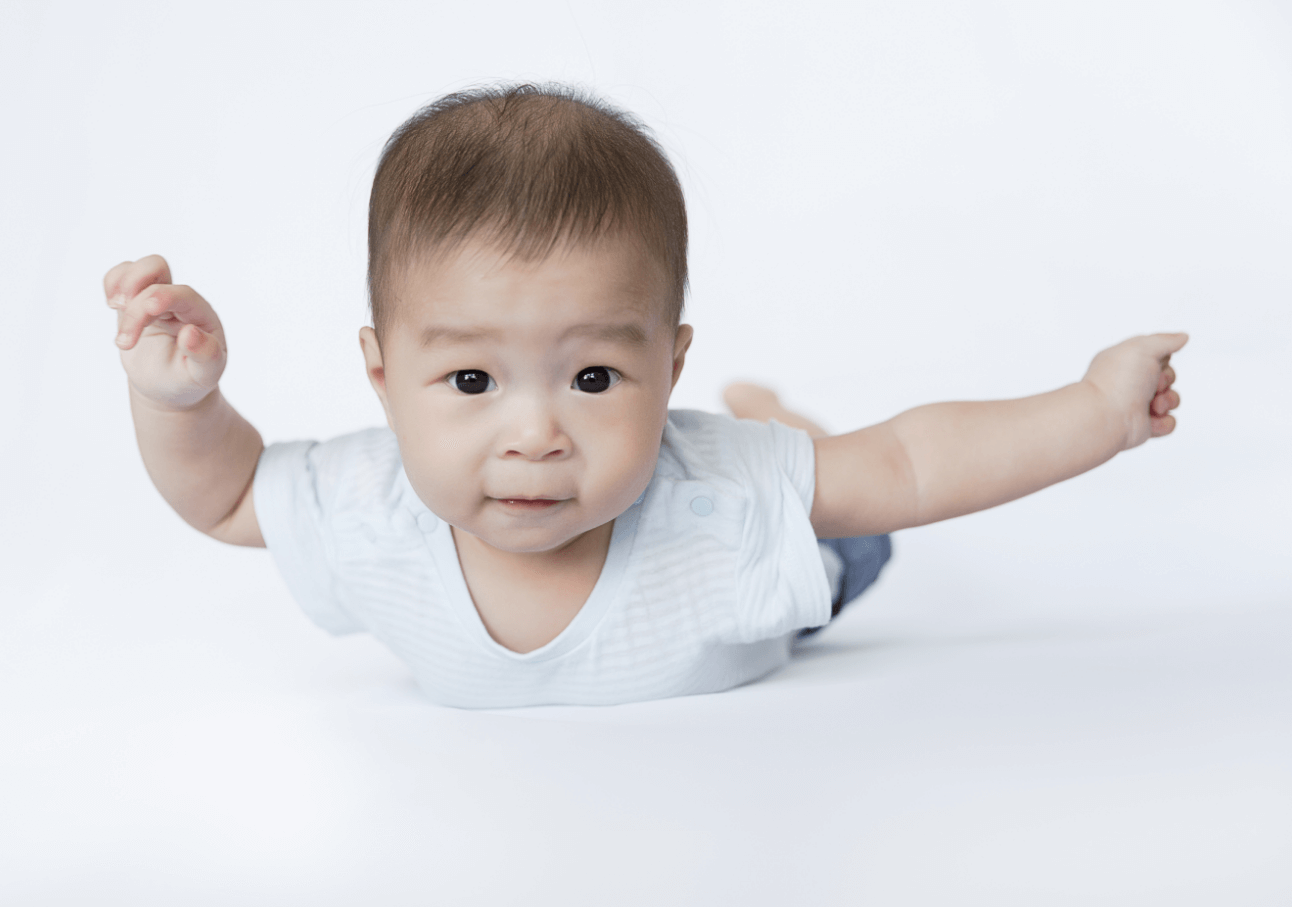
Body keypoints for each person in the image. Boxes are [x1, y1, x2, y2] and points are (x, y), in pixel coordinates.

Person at [103, 84, 1185, 708]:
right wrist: (185, 404)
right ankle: (783, 425)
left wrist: (1095, 410)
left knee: (853, 521)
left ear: (668, 369)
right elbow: (230, 496)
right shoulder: (367, 507)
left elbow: (906, 465)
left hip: (766, 591)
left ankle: (787, 431)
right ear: (383, 378)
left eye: (594, 378)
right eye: (472, 380)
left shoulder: (718, 497)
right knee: (811, 476)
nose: (536, 435)